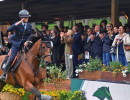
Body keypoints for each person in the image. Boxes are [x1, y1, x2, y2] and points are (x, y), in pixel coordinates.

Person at [0, 9, 32, 81]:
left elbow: (30, 35)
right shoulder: (18, 24)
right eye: (25, 17)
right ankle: (4, 74)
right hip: (16, 44)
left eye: (27, 17)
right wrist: (18, 22)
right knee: (12, 58)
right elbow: (9, 29)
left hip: (24, 44)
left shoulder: (29, 25)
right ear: (22, 18)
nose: (27, 18)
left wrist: (27, 41)